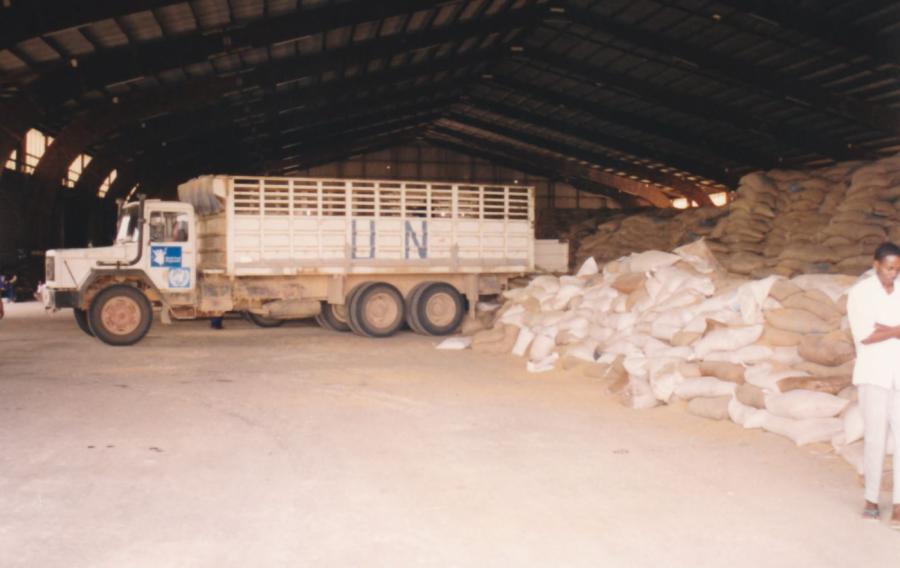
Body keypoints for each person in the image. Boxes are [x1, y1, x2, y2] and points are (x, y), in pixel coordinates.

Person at [846, 241, 900, 526]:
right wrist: (896, 330)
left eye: (898, 269)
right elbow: (865, 335)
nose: (894, 273)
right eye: (889, 268)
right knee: (875, 438)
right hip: (873, 374)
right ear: (876, 264)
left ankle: (899, 504)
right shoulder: (860, 293)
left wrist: (888, 329)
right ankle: (871, 499)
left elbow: (878, 331)